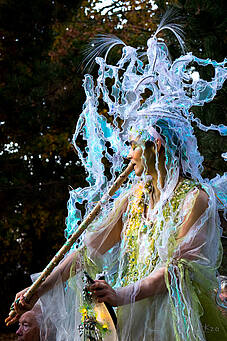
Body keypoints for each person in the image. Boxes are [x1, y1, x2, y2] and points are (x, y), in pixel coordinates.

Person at [6, 10, 227, 341]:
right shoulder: (132, 199)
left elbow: (179, 270)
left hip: (170, 320)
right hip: (128, 317)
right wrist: (40, 289)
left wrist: (124, 294)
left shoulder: (194, 199)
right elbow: (85, 252)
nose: (129, 154)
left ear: (157, 144)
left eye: (134, 145)